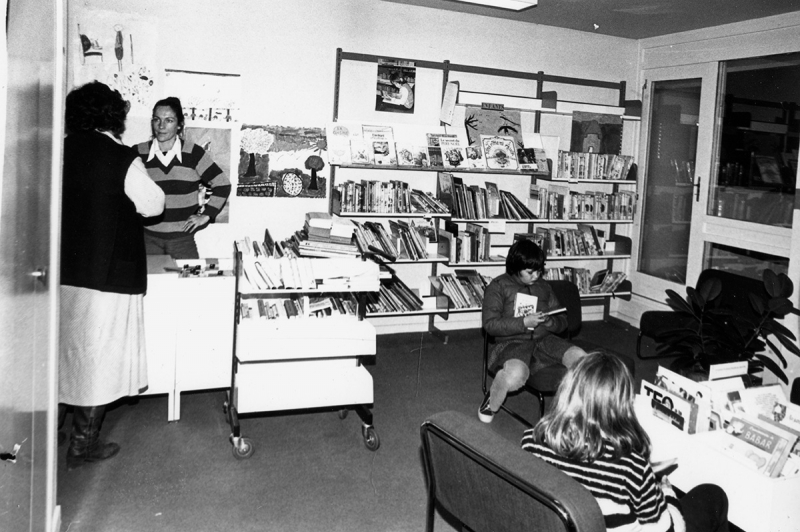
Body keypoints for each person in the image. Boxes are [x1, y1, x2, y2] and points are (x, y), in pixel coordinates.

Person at [60, 81, 165, 470]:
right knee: (99, 360)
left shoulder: (60, 151)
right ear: (114, 115)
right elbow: (154, 205)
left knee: (65, 354)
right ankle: (82, 445)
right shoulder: (121, 157)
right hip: (107, 276)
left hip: (62, 271)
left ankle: (51, 430)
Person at [522, 351, 729, 532]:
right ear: (622, 404)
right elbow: (670, 530)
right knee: (713, 494)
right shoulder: (631, 468)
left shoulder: (532, 440)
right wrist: (668, 496)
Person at [479, 238, 587, 423]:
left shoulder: (544, 287)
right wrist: (523, 322)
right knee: (515, 375)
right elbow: (490, 325)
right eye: (530, 272)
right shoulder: (498, 286)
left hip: (544, 339)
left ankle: (583, 409)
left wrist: (550, 322)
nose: (536, 276)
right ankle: (491, 400)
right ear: (516, 267)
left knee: (581, 359)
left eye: (539, 271)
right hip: (512, 342)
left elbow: (563, 321)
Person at [136, 96, 231, 259]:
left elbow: (222, 184)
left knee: (186, 284)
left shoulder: (193, 153)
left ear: (179, 125)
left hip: (182, 242)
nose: (161, 126)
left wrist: (205, 216)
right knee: (153, 284)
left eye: (169, 120)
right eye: (157, 120)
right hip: (147, 240)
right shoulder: (138, 152)